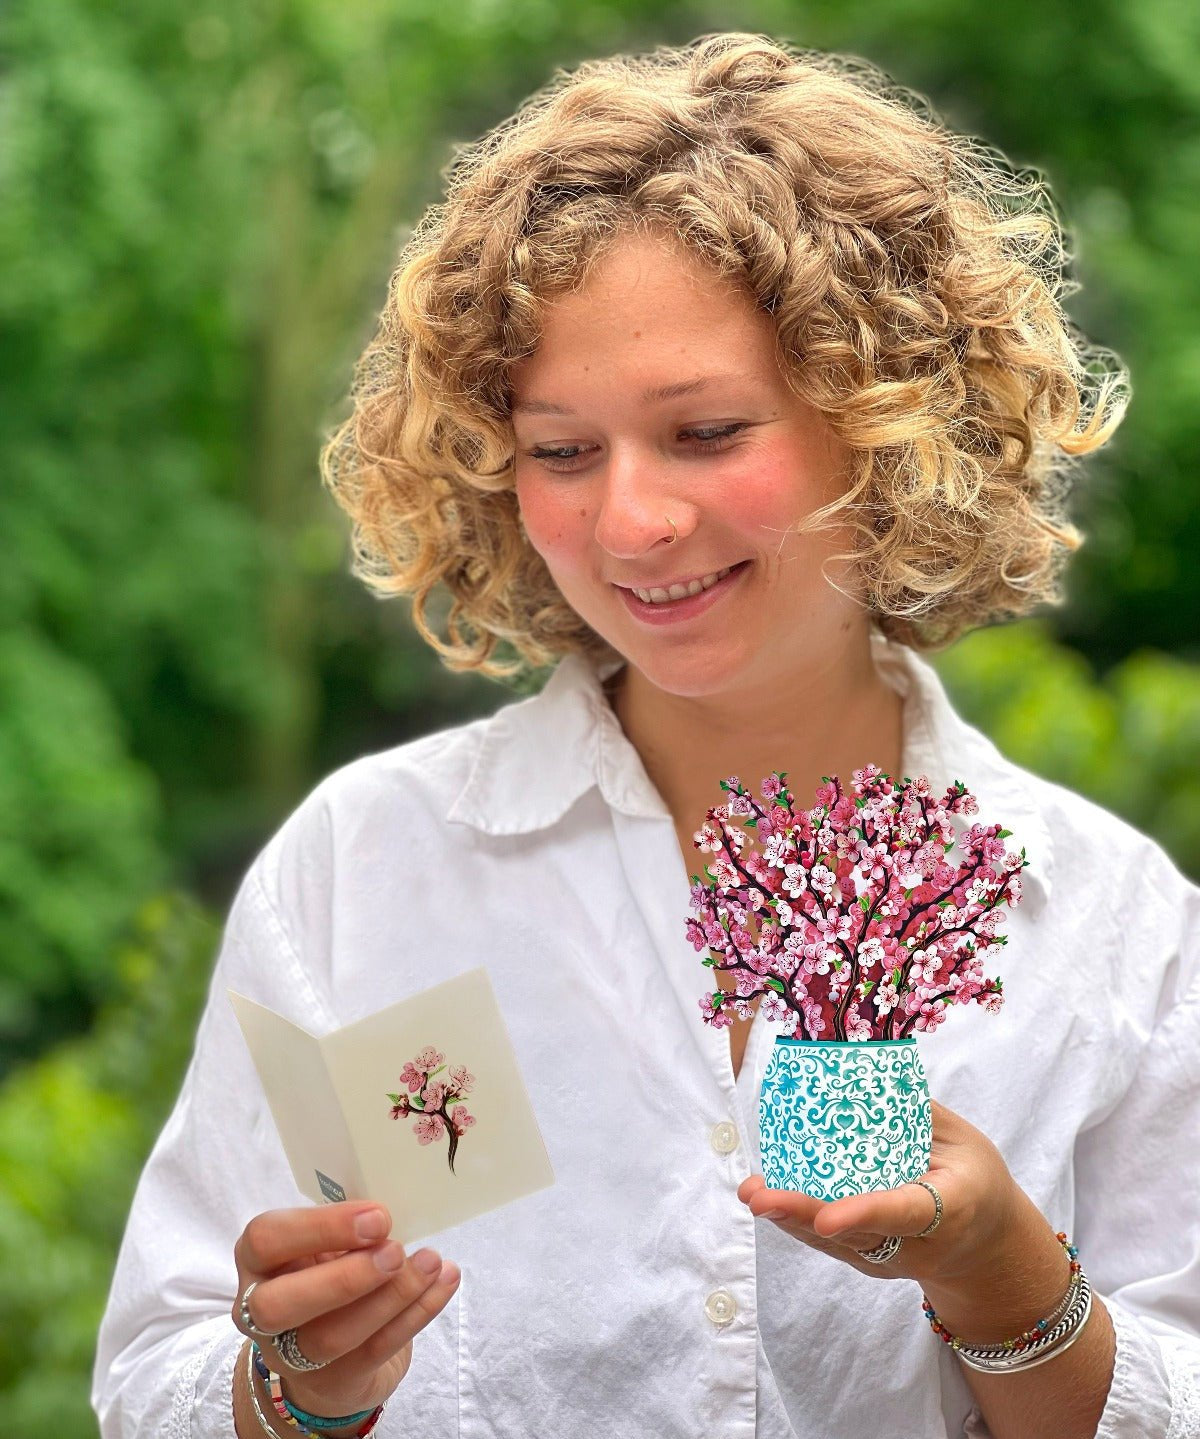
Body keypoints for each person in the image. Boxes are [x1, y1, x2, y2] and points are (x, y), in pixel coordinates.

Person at [93, 32, 1200, 1439]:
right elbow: (159, 1381)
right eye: (562, 451)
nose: (630, 522)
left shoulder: (1116, 932)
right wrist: (292, 1388)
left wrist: (1010, 1288)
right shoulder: (368, 870)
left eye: (705, 431)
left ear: (889, 422)